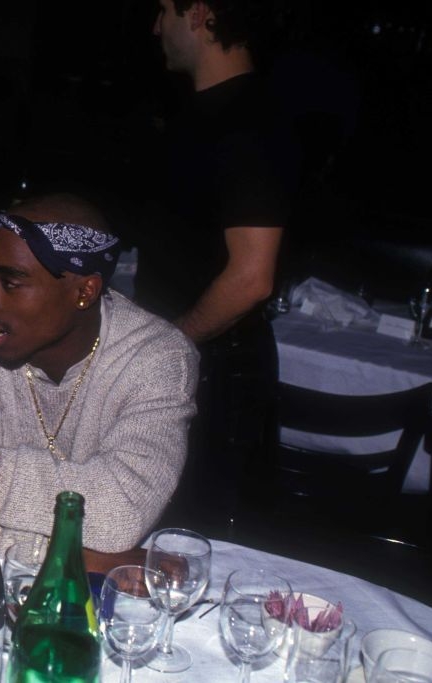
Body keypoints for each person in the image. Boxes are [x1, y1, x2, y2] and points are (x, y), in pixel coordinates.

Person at [0, 194, 199, 568]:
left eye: (11, 283)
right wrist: (85, 558)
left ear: (84, 292)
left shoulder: (157, 359)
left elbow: (120, 511)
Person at [133, 0, 294, 506]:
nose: (156, 26)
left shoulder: (249, 120)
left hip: (218, 375)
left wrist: (165, 345)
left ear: (200, 13)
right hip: (193, 366)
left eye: (164, 10)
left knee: (200, 546)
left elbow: (251, 278)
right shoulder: (202, 114)